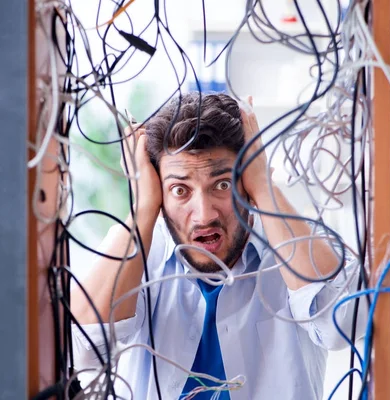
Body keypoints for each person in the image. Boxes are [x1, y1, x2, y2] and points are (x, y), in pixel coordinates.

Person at [70, 93, 364, 399]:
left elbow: (341, 325)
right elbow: (82, 351)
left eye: (222, 185)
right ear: (159, 192)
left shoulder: (297, 242)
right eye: (180, 190)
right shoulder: (141, 247)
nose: (205, 214)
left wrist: (264, 185)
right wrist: (142, 206)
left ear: (246, 180)